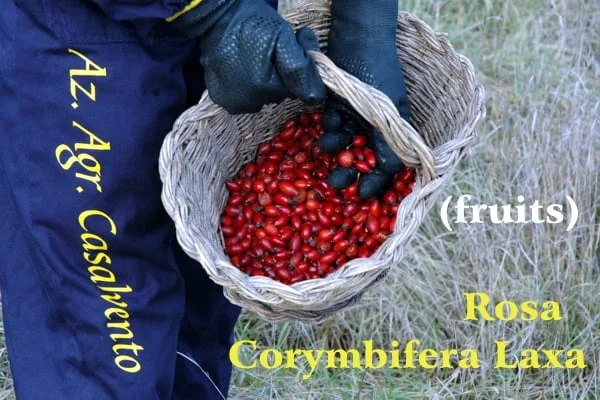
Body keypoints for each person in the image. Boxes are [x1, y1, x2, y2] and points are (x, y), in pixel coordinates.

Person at [0, 0, 409, 398]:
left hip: (238, 18)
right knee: (102, 316)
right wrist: (214, 9)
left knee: (198, 283)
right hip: (84, 28)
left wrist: (363, 20)